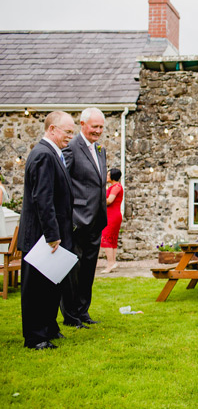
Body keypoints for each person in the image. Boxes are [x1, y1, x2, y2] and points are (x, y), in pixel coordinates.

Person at [16, 111, 75, 350]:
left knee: (52, 284)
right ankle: (35, 337)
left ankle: (49, 327)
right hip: (40, 236)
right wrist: (52, 235)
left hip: (52, 234)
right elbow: (43, 197)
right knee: (36, 289)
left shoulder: (54, 154)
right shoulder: (42, 155)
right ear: (52, 129)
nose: (70, 137)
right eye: (68, 132)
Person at [60, 107, 107, 329]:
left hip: (96, 221)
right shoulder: (71, 148)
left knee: (88, 269)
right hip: (77, 220)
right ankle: (70, 316)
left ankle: (82, 311)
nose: (98, 131)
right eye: (94, 126)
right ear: (82, 125)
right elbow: (63, 183)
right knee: (73, 270)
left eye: (101, 127)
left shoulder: (99, 150)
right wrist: (71, 216)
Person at [101, 168, 123, 274]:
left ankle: (110, 264)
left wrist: (98, 200)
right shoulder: (114, 187)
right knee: (112, 239)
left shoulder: (116, 187)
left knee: (106, 238)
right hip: (113, 215)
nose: (107, 176)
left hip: (112, 215)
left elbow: (109, 201)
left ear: (113, 176)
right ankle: (113, 262)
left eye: (108, 175)